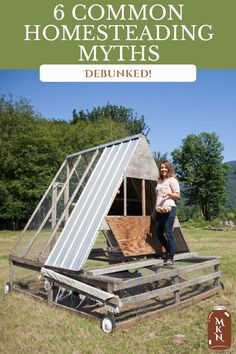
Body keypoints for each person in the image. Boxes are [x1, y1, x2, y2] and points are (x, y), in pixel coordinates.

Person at [154, 160, 180, 266]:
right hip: (159, 210)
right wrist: (154, 211)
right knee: (158, 233)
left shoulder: (172, 180)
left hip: (169, 208)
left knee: (168, 232)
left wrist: (170, 194)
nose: (163, 169)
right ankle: (168, 251)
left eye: (165, 167)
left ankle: (170, 257)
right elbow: (158, 197)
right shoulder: (159, 181)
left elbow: (178, 195)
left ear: (168, 168)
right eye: (161, 168)